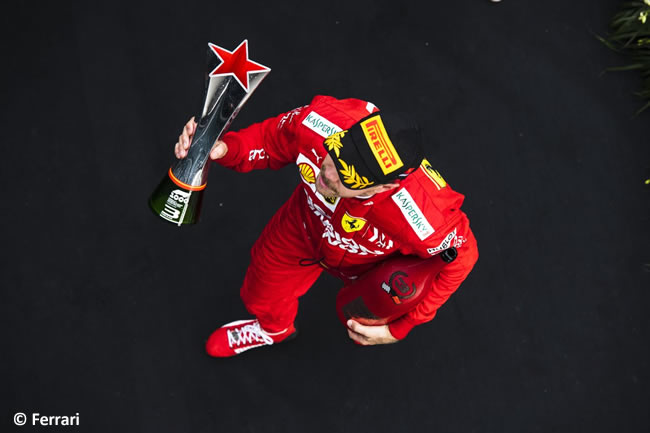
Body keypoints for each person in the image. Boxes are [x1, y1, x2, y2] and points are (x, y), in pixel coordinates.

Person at [174, 95, 479, 357]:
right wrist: (221, 149)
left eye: (346, 175)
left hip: (370, 267)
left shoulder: (423, 215)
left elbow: (463, 255)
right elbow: (270, 140)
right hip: (303, 227)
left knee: (363, 319)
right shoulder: (321, 120)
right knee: (258, 294)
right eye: (336, 152)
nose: (327, 171)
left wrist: (402, 326)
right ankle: (274, 330)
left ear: (381, 187)